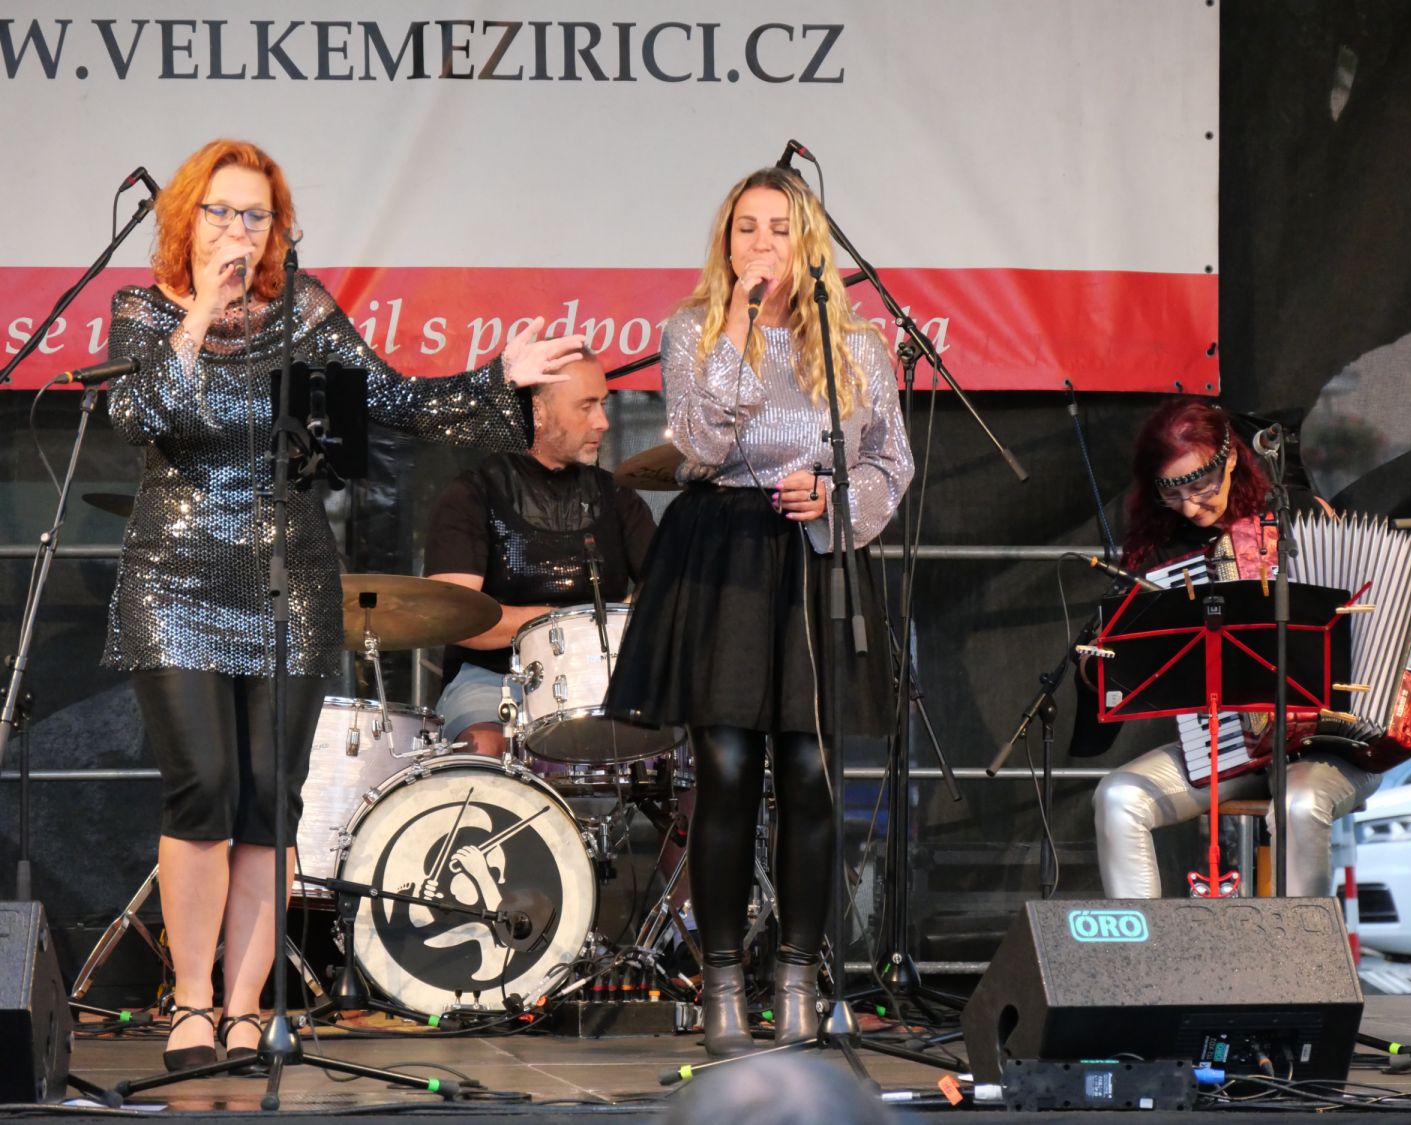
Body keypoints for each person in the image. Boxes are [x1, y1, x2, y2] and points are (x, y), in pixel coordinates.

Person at [104, 138, 582, 1072]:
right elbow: (139, 415)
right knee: (202, 784)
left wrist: (497, 378)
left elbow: (397, 403)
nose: (239, 230)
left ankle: (244, 1007)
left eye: (256, 216)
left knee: (266, 799)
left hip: (288, 580)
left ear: (277, 230)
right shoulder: (142, 311)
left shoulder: (306, 312)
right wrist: (199, 312)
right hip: (175, 577)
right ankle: (190, 1001)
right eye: (221, 211)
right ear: (187, 217)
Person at [604, 167, 914, 1055]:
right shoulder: (692, 329)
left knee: (812, 770)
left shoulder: (858, 346)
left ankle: (799, 975)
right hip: (724, 552)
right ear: (726, 241)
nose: (762, 243)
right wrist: (739, 322)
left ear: (807, 242)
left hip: (816, 555)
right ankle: (723, 982)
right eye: (746, 228)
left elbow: (891, 462)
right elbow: (702, 442)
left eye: (779, 228)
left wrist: (838, 498)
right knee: (729, 769)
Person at [1087, 398, 1411, 898]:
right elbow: (1132, 666)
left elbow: (1386, 648)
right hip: (1227, 746)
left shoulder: (1301, 518)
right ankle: (1139, 945)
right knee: (1119, 796)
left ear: (1232, 458)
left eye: (1201, 487)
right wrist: (1110, 655)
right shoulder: (1166, 551)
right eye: (1172, 493)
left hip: (1338, 750)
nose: (1189, 506)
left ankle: (1305, 947)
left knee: (1297, 804)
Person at [423, 351, 656, 757]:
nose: (603, 421)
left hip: (604, 672)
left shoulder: (617, 496)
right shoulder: (472, 494)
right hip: (495, 678)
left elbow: (666, 587)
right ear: (539, 411)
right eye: (586, 406)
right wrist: (568, 625)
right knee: (484, 746)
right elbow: (454, 616)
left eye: (603, 404)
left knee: (681, 738)